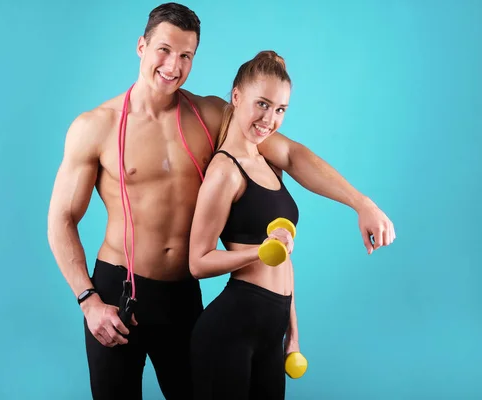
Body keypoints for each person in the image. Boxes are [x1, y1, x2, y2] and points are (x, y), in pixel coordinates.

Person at [47, 3, 395, 400]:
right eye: (164, 50)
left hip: (180, 295)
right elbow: (61, 218)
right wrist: (89, 301)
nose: (173, 66)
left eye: (185, 56)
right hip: (117, 290)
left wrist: (361, 202)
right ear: (141, 46)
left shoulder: (210, 115)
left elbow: (292, 155)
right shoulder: (96, 126)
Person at [188, 50, 312, 399]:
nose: (270, 119)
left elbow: (285, 262)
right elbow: (198, 262)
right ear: (236, 96)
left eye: (280, 110)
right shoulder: (224, 171)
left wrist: (293, 336)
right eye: (262, 104)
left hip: (274, 331)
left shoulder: (270, 164)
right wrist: (260, 251)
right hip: (232, 328)